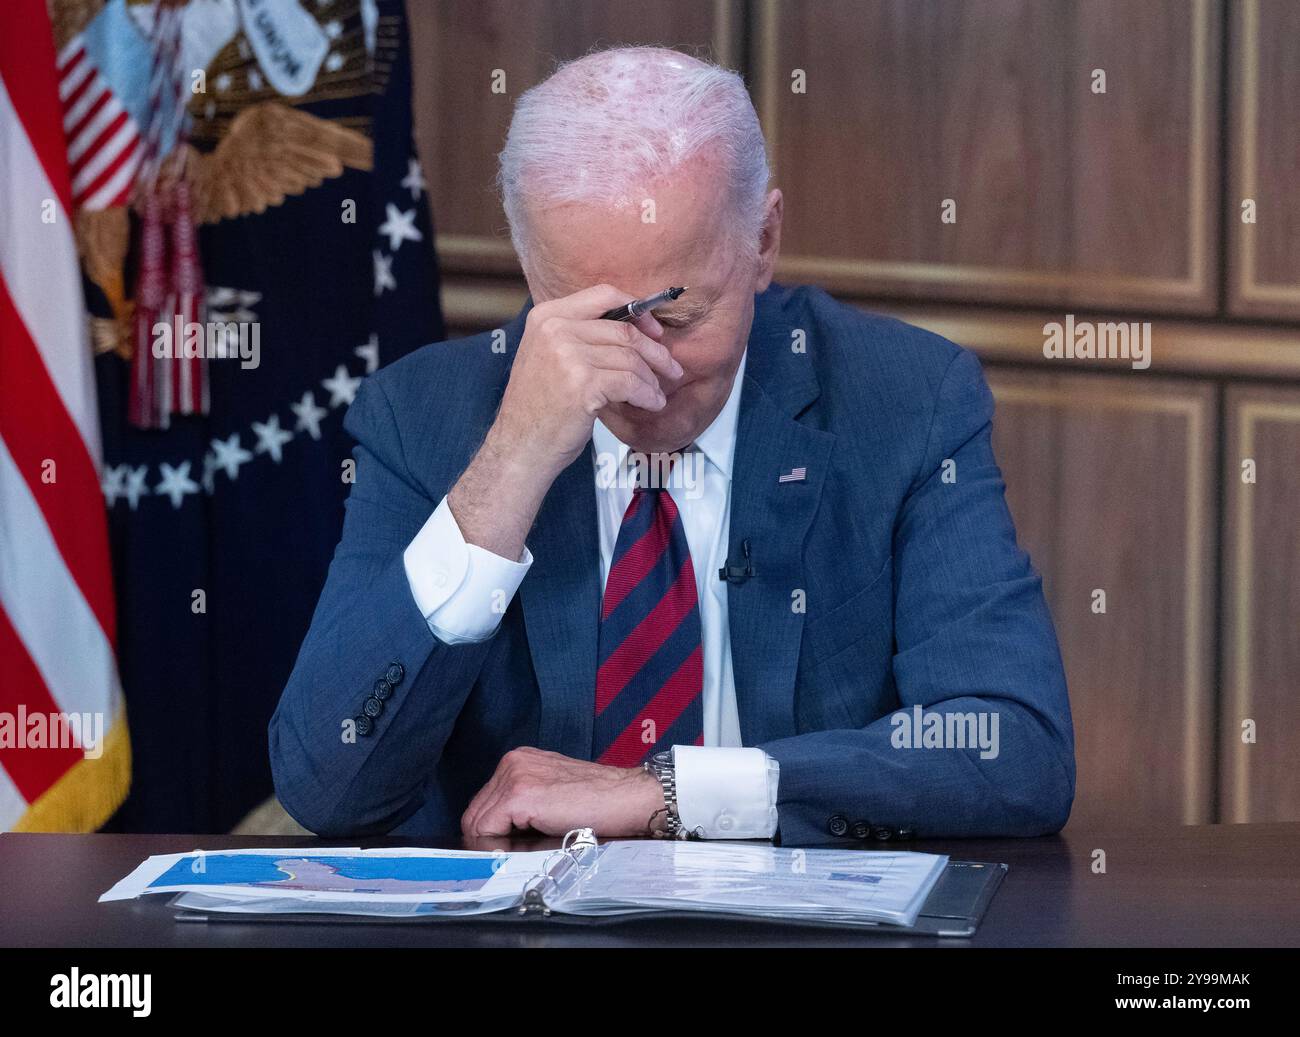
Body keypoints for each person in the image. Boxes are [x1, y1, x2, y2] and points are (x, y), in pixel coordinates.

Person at [269, 46, 1075, 845]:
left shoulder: (903, 400)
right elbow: (330, 786)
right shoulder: (427, 415)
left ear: (763, 241)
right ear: (530, 268)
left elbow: (1013, 746)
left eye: (680, 317)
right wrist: (509, 464)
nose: (637, 368)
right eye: (591, 320)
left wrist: (677, 792)